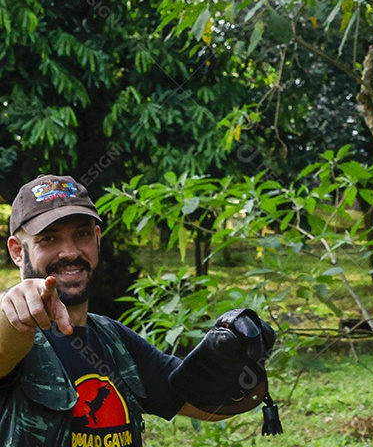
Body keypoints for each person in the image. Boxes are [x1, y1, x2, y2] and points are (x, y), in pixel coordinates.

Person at [0, 174, 274, 445]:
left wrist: (238, 354)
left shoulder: (115, 341)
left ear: (97, 239)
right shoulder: (17, 334)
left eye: (81, 234)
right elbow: (6, 346)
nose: (70, 252)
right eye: (48, 239)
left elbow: (199, 401)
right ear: (17, 252)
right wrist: (14, 311)